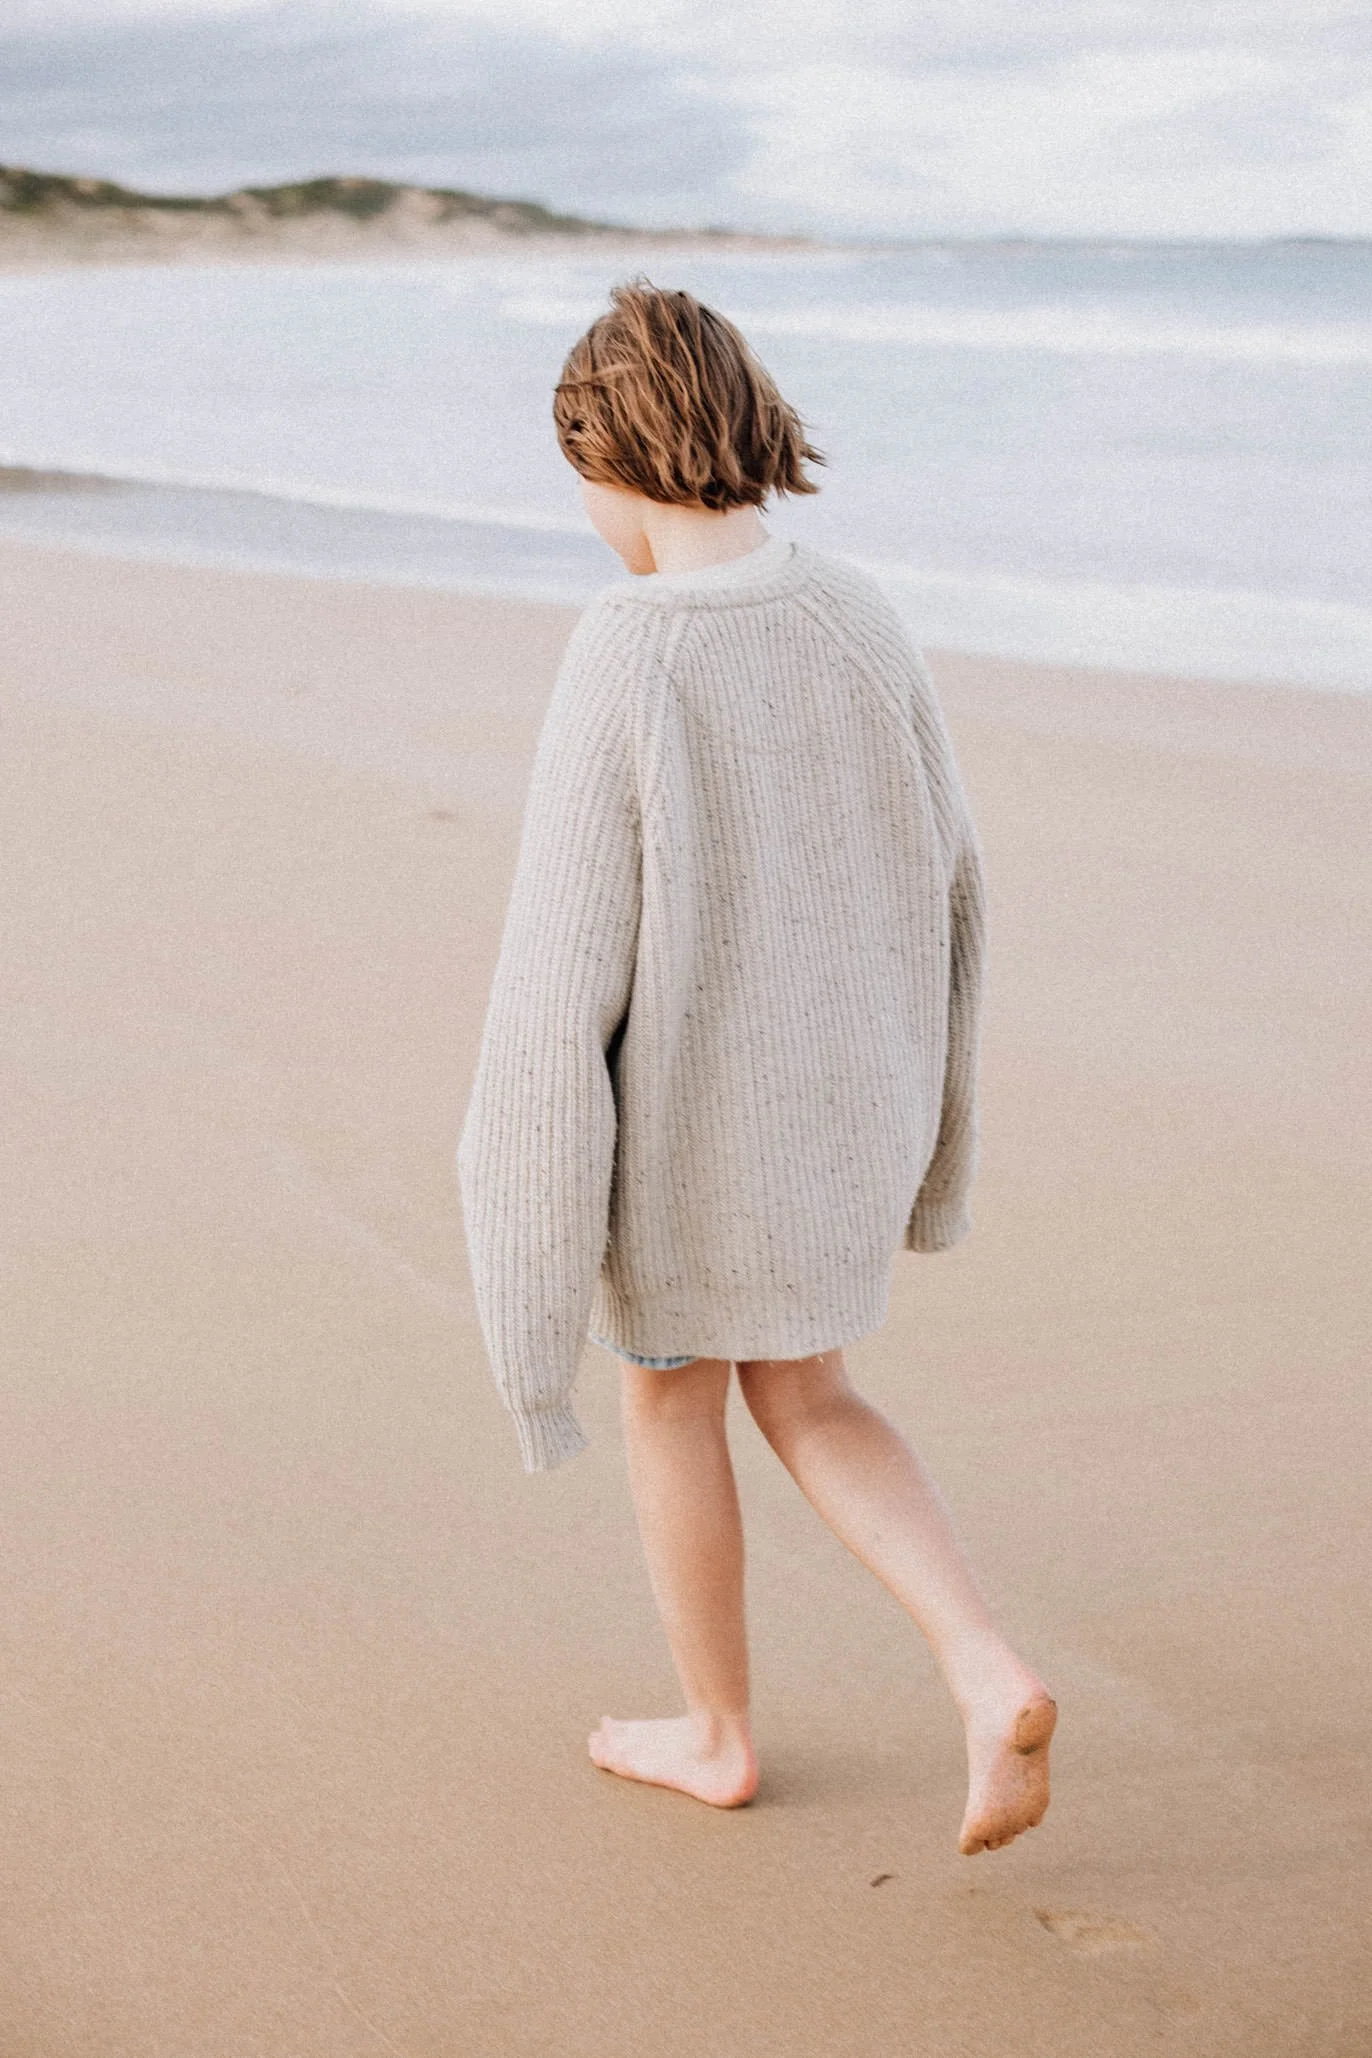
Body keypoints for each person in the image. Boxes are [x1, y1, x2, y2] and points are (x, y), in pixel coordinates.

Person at [457, 280, 1055, 1853]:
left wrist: (528, 1298)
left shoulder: (627, 648)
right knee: (817, 1392)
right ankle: (984, 1667)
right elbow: (959, 885)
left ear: (610, 452)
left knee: (675, 1405)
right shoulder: (857, 610)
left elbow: (556, 983)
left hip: (691, 1136)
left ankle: (717, 1730)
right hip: (851, 1105)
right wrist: (934, 1150)